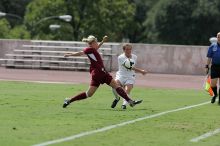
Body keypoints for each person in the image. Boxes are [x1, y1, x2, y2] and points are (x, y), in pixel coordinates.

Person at [62, 35, 142, 108]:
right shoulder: (89, 49)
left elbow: (96, 48)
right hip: (100, 72)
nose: (97, 43)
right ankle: (130, 101)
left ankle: (69, 100)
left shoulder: (92, 50)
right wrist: (69, 55)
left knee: (89, 94)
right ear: (92, 43)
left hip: (96, 74)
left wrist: (103, 41)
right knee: (116, 86)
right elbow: (80, 53)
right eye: (96, 42)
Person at [111, 43, 147, 109]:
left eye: (130, 49)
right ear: (124, 50)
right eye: (127, 49)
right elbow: (129, 66)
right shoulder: (120, 57)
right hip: (121, 75)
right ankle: (117, 98)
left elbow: (132, 67)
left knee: (127, 89)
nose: (129, 51)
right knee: (114, 87)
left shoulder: (135, 57)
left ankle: (124, 105)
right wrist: (141, 71)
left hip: (130, 76)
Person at [206, 32, 220, 104]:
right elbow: (209, 57)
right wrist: (207, 66)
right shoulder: (212, 46)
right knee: (213, 84)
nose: (219, 38)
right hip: (214, 66)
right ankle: (215, 95)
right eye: (218, 37)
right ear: (217, 38)